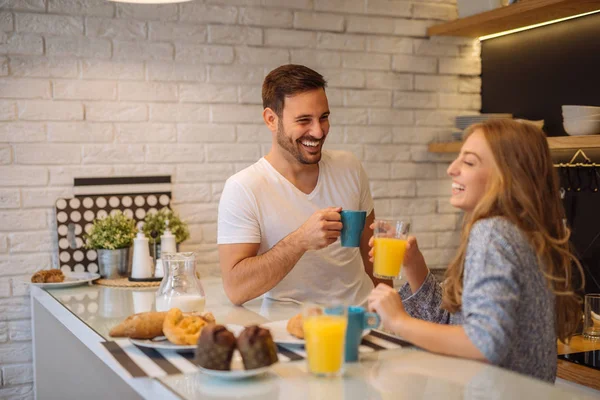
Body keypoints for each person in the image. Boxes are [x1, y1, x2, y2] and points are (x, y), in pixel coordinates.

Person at [367, 119, 583, 382]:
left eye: (468, 162)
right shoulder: (525, 232)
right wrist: (414, 263)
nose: (451, 169)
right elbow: (453, 324)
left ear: (508, 176)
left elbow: (483, 343)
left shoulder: (492, 233)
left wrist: (399, 321)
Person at [217, 64, 390, 306]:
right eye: (304, 120)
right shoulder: (244, 188)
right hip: (292, 329)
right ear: (271, 120)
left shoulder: (350, 167)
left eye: (324, 117)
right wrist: (300, 241)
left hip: (361, 320)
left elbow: (374, 253)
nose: (318, 132)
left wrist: (390, 314)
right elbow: (236, 289)